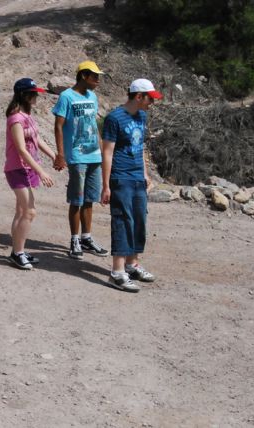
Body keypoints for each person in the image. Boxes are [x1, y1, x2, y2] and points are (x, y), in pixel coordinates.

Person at [101, 78, 163, 292]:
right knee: (122, 220)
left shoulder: (142, 116)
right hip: (121, 177)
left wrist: (145, 172)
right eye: (150, 99)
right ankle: (117, 273)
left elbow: (140, 146)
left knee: (139, 220)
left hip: (137, 177)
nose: (152, 103)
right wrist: (106, 185)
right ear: (139, 96)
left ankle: (132, 264)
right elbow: (107, 152)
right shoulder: (114, 118)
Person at [53, 61, 109, 260]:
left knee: (90, 199)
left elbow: (94, 125)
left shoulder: (92, 97)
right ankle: (74, 239)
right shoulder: (66, 97)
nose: (98, 80)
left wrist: (102, 152)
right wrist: (60, 154)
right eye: (95, 76)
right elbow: (59, 126)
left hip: (94, 154)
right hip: (77, 156)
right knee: (77, 199)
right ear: (83, 76)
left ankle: (87, 238)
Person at [4, 78, 56, 270]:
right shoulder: (15, 118)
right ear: (24, 95)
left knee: (21, 211)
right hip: (17, 170)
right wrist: (41, 171)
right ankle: (18, 254)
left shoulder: (27, 115)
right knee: (29, 211)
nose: (37, 96)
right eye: (34, 93)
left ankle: (17, 250)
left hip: (27, 169)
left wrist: (53, 156)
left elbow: (36, 138)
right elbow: (21, 149)